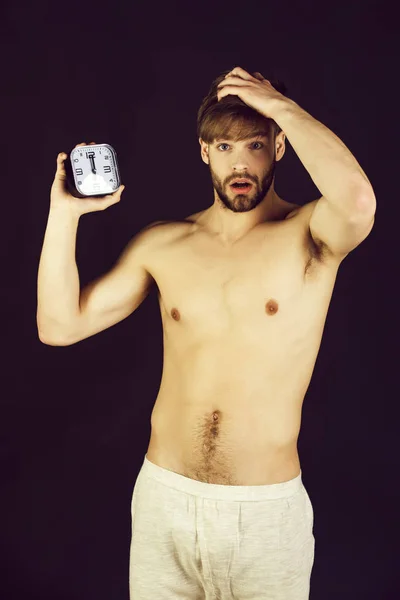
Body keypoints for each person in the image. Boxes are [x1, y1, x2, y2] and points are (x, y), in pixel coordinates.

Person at [37, 66, 376, 599]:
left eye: (256, 145)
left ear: (280, 146)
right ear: (203, 152)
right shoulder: (164, 244)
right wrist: (64, 216)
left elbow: (358, 203)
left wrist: (274, 103)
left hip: (265, 516)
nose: (240, 163)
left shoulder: (310, 236)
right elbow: (58, 326)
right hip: (163, 504)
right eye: (224, 147)